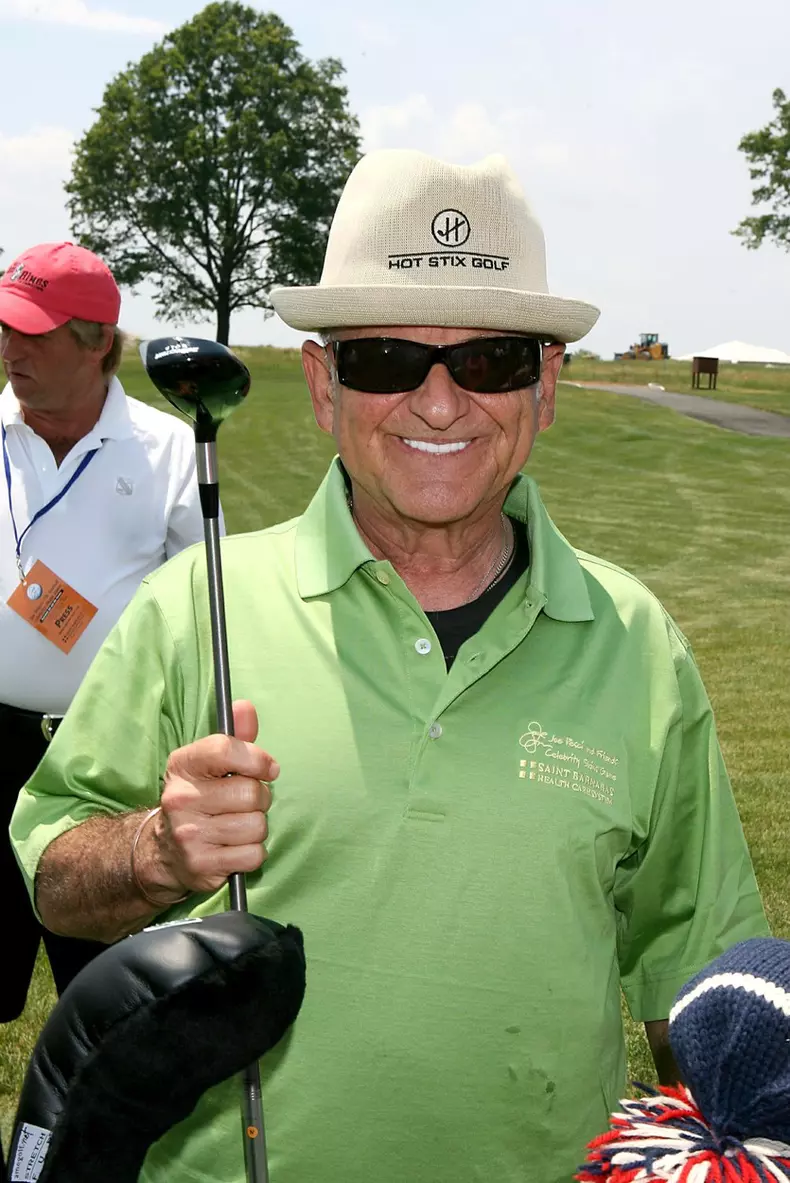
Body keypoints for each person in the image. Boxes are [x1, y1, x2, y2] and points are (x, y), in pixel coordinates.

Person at [11, 154, 769, 1183]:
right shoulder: (198, 606)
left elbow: (699, 985)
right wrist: (151, 850)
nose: (441, 402)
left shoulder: (638, 643)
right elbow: (55, 878)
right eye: (385, 357)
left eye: (491, 360)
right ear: (325, 385)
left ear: (544, 387)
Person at [0, 241, 213, 1018]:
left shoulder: (169, 452)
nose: (10, 347)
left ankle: (89, 1147)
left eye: (33, 331)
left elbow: (201, 611)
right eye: (4, 327)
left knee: (109, 1002)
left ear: (96, 343)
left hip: (105, 760)